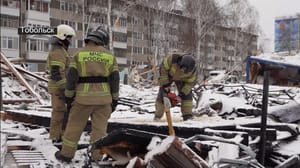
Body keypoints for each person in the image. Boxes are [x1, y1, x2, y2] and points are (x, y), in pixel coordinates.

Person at [55, 27, 120, 163]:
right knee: (100, 131)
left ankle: (66, 155)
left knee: (73, 128)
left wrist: (69, 96)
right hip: (103, 100)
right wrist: (114, 99)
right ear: (102, 40)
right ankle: (97, 157)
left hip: (82, 100)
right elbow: (114, 79)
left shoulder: (79, 55)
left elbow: (71, 78)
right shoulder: (109, 56)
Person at [47, 24, 75, 143]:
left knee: (62, 113)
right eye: (69, 37)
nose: (71, 40)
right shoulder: (58, 52)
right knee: (59, 113)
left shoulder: (61, 50)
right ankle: (56, 137)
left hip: (60, 87)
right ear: (63, 37)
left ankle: (59, 136)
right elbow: (56, 72)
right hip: (59, 88)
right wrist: (65, 88)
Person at [154, 52, 197, 121]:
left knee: (187, 97)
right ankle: (157, 116)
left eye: (185, 71)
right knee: (162, 95)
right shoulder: (172, 59)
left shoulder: (193, 71)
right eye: (182, 69)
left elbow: (189, 84)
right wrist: (166, 85)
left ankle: (187, 116)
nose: (183, 71)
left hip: (183, 81)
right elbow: (163, 69)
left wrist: (181, 95)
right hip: (168, 76)